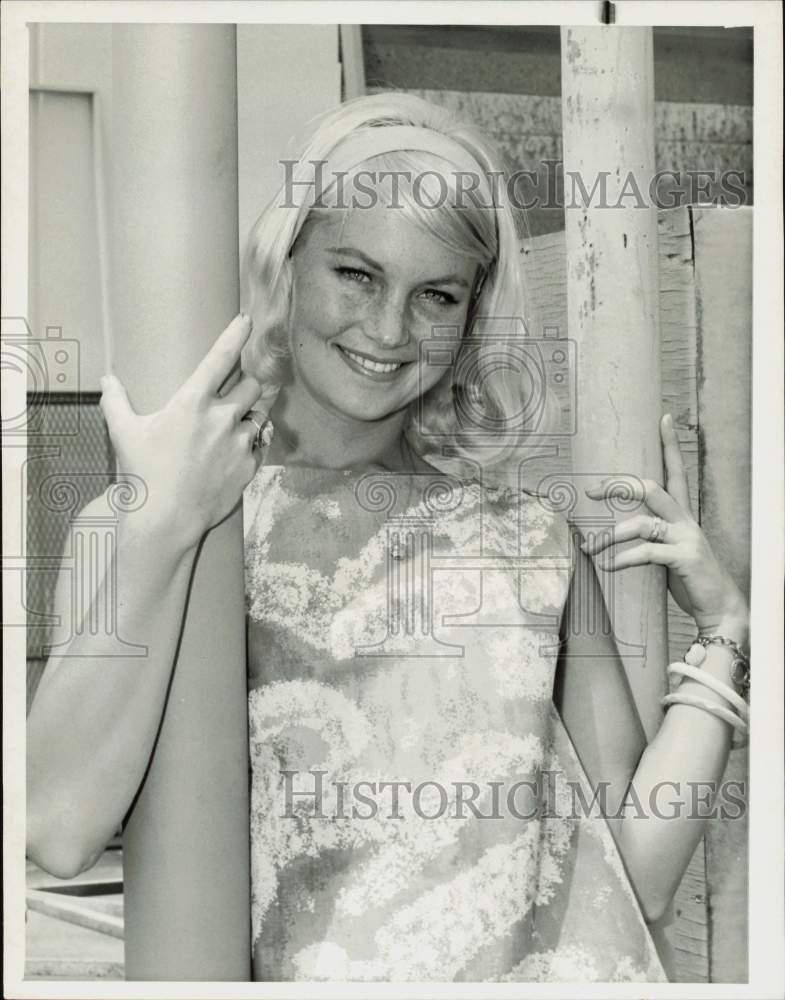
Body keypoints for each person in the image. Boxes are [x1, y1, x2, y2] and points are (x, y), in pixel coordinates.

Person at [26, 93, 750, 982]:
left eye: (434, 294)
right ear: (286, 260)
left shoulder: (528, 545)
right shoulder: (166, 527)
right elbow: (57, 827)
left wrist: (724, 635)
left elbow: (631, 880)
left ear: (473, 309)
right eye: (356, 274)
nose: (387, 329)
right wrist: (166, 521)